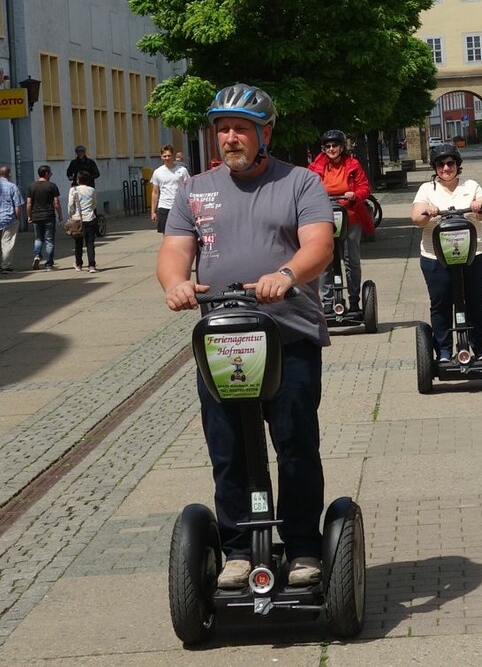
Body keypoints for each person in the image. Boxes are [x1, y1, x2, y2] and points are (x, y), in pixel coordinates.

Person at [159, 83, 333, 592]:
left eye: (240, 129)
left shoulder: (301, 183)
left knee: (295, 443)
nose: (230, 138)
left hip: (288, 335)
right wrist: (176, 283)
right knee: (229, 447)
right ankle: (237, 548)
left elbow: (319, 244)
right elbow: (174, 250)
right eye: (223, 129)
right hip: (223, 337)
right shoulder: (196, 189)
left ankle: (302, 545)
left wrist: (288, 274)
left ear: (265, 132)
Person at [409, 147, 482, 362]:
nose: (446, 168)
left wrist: (479, 206)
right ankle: (445, 352)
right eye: (440, 164)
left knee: (476, 302)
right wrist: (427, 212)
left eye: (450, 163)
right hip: (435, 258)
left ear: (457, 164)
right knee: (441, 304)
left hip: (473, 255)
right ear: (435, 168)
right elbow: (416, 219)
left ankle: (481, 350)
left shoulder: (471, 185)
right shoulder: (427, 189)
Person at [306, 129, 373, 315]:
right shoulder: (315, 167)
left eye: (335, 145)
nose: (331, 149)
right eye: (328, 146)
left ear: (342, 147)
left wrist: (355, 195)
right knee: (325, 260)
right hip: (325, 219)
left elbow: (365, 187)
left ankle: (353, 300)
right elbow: (307, 188)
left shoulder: (352, 164)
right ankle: (328, 302)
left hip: (350, 217)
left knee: (351, 260)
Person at [149, 145, 191, 234]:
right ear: (161, 157)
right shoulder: (157, 172)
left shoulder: (182, 170)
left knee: (180, 233)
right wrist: (153, 212)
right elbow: (155, 192)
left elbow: (188, 188)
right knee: (166, 234)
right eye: (164, 156)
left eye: (169, 155)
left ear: (173, 156)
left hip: (179, 206)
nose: (167, 158)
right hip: (164, 207)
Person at [28, 165, 62, 270]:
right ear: (46, 173)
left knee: (38, 238)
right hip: (48, 215)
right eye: (50, 173)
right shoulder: (52, 186)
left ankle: (37, 254)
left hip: (36, 215)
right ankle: (49, 264)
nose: (51, 174)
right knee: (49, 240)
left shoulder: (31, 186)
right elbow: (56, 202)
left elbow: (29, 203)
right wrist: (59, 214)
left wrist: (29, 216)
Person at [67, 170, 100, 271]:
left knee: (78, 243)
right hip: (90, 218)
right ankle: (92, 265)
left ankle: (78, 264)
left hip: (77, 219)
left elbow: (70, 205)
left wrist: (71, 215)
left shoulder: (73, 190)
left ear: (77, 180)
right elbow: (94, 204)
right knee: (90, 243)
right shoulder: (92, 190)